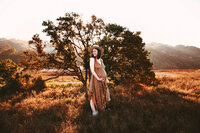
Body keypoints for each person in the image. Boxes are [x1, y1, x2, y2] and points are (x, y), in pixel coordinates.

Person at [88, 45, 111, 116]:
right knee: (94, 94)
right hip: (96, 79)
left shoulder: (101, 60)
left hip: (103, 80)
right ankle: (94, 111)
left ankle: (102, 108)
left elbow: (102, 69)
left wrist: (104, 78)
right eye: (93, 51)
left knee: (103, 94)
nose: (94, 52)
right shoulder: (92, 59)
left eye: (95, 51)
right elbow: (92, 70)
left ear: (98, 52)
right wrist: (98, 78)